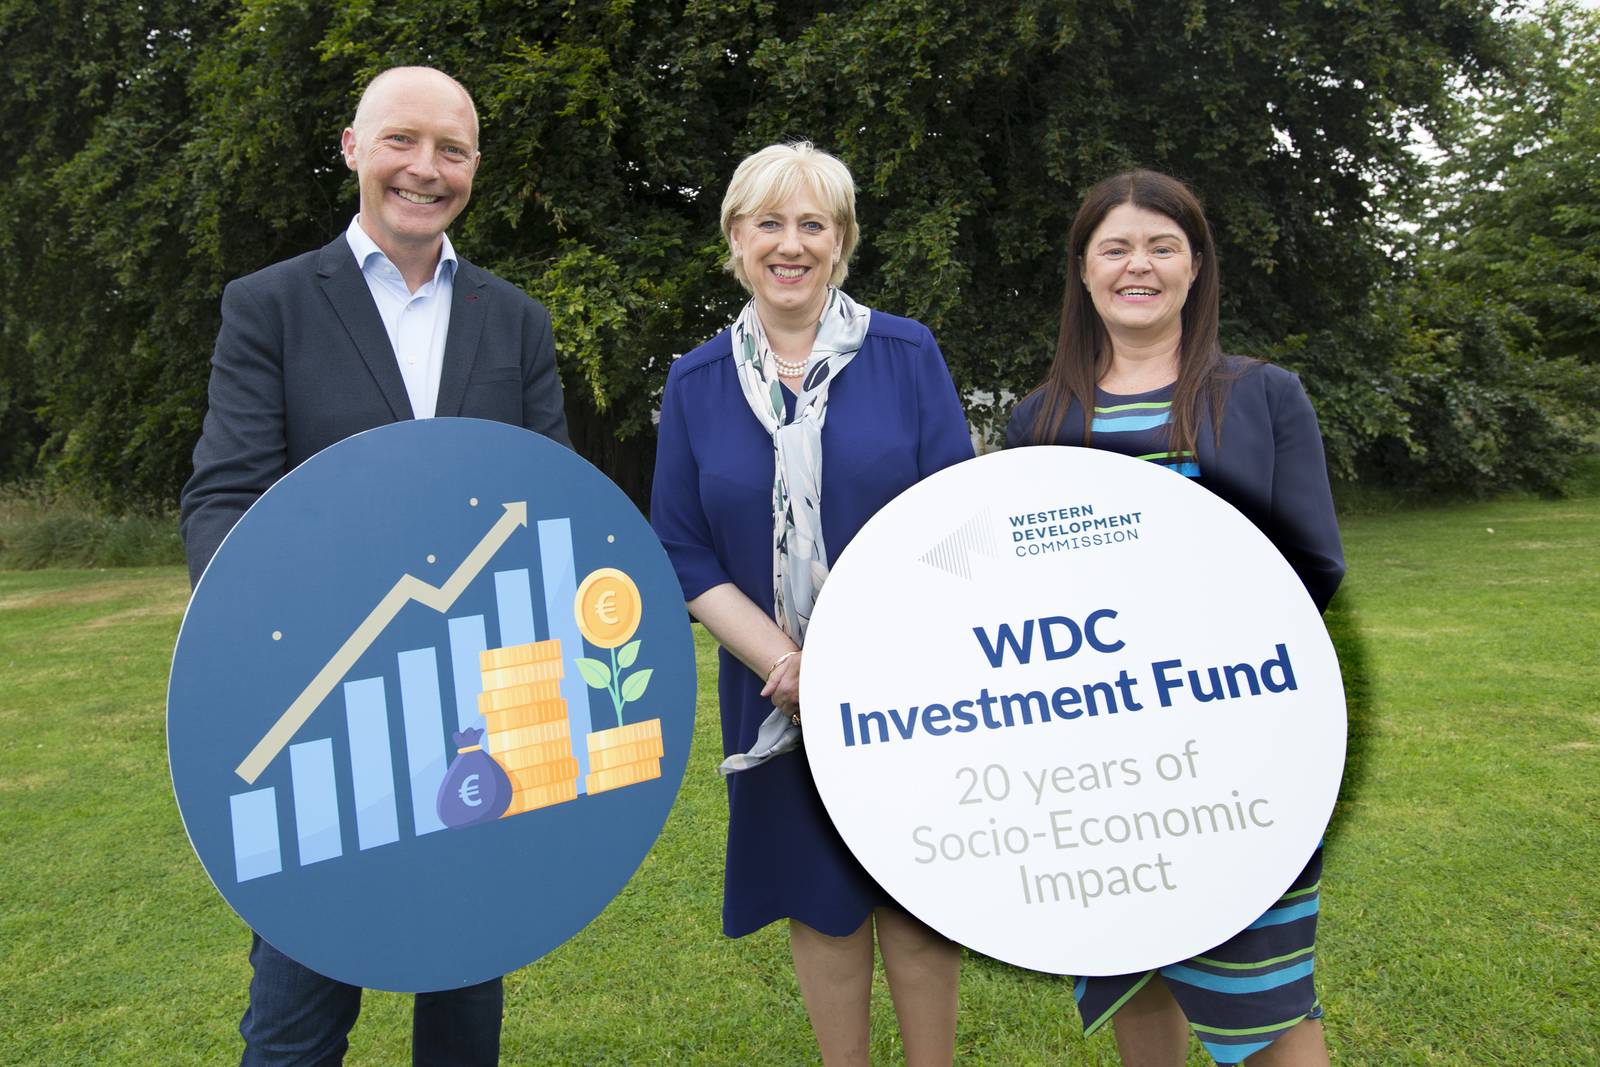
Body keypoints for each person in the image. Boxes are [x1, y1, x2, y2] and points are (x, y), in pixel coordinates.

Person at [179, 66, 570, 1066]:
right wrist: (278, 645)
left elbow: (548, 506)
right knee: (297, 1012)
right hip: (328, 708)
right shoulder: (270, 305)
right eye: (401, 141)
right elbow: (224, 496)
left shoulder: (515, 320)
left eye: (452, 149)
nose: (424, 169)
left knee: (465, 986)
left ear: (475, 167)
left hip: (475, 720)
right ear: (353, 147)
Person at [1004, 169, 1344, 1066]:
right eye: (1115, 248)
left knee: (1266, 987)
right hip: (1095, 763)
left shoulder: (1264, 395)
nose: (1137, 266)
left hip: (1242, 742)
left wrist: (1195, 662)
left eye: (1162, 246)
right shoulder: (1037, 421)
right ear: (1083, 271)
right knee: (1133, 966)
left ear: (1196, 267)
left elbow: (1314, 565)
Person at [650, 142, 972, 1066]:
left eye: (812, 225)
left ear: (841, 243)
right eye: (769, 223)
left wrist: (860, 657)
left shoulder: (907, 355)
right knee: (821, 901)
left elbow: (956, 523)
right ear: (736, 239)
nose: (789, 244)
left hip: (910, 679)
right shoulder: (697, 382)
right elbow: (681, 544)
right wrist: (785, 665)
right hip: (774, 690)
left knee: (912, 898)